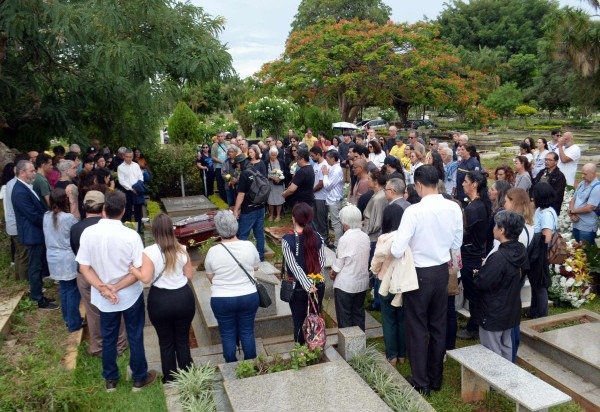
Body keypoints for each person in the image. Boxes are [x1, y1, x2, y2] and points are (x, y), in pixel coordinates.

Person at [391, 165, 463, 395]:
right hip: (441, 271)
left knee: (417, 327)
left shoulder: (414, 211)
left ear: (419, 185)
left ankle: (421, 381)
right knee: (438, 326)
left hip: (419, 273)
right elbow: (456, 243)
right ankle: (435, 378)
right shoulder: (453, 207)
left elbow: (397, 249)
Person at [76, 191, 157, 392]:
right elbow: (138, 270)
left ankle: (111, 379)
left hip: (105, 297)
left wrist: (103, 288)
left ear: (104, 210)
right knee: (134, 334)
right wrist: (114, 288)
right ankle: (139, 377)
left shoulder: (89, 233)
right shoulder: (130, 236)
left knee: (108, 337)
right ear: (123, 211)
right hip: (129, 294)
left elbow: (84, 267)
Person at [128, 213, 194, 382]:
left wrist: (132, 269)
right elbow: (189, 275)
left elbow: (146, 278)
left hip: (160, 301)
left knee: (165, 342)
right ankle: (189, 376)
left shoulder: (149, 252)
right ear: (171, 229)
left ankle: (170, 378)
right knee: (183, 339)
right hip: (183, 298)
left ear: (155, 231)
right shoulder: (182, 248)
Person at [70, 190, 127, 357]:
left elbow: (75, 251)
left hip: (85, 275)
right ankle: (120, 345)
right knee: (117, 306)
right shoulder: (110, 227)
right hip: (108, 273)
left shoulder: (75, 228)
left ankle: (98, 347)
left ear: (84, 206)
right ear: (104, 207)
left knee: (92, 312)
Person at [204, 210, 260, 362]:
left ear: (218, 229)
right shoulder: (249, 246)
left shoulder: (213, 251)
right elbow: (255, 267)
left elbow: (210, 276)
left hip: (222, 299)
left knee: (227, 333)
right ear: (236, 225)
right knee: (247, 331)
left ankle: (230, 365)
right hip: (248, 295)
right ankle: (251, 364)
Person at [475, 211, 528, 361]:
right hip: (511, 308)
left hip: (493, 311)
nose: (493, 229)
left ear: (502, 230)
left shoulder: (498, 257)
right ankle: (508, 373)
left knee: (491, 352)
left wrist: (478, 274)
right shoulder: (520, 250)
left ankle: (495, 376)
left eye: (495, 226)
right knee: (506, 346)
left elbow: (483, 283)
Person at [12, 160, 57, 309]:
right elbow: (32, 215)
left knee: (37, 266)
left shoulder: (25, 187)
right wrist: (49, 222)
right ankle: (37, 298)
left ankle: (38, 293)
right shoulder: (19, 191)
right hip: (32, 234)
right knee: (35, 267)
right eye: (31, 171)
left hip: (35, 232)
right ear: (22, 172)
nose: (34, 173)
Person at [281, 203, 326, 344]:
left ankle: (301, 352)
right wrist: (314, 281)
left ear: (294, 218)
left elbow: (294, 266)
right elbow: (322, 261)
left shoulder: (287, 240)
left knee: (299, 323)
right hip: (318, 286)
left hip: (299, 288)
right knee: (314, 319)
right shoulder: (318, 236)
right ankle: (314, 346)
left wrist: (307, 284)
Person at [371, 197, 407, 366]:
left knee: (388, 319)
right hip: (403, 282)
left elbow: (376, 262)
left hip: (385, 281)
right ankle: (403, 354)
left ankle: (392, 355)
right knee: (402, 318)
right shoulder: (406, 238)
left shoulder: (384, 238)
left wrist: (374, 271)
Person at [457, 170, 491, 340]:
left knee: (473, 294)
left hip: (470, 255)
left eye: (465, 181)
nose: (463, 184)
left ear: (474, 184)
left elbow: (465, 234)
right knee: (473, 293)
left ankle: (474, 328)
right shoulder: (479, 205)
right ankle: (474, 323)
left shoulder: (475, 208)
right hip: (474, 253)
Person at [43, 189, 82, 331]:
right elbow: (76, 230)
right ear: (65, 201)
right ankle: (73, 322)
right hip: (66, 257)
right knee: (72, 290)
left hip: (52, 257)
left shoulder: (46, 216)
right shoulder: (68, 218)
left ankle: (68, 318)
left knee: (64, 288)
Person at [329, 204, 370, 331]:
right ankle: (360, 341)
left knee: (344, 317)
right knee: (358, 314)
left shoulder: (345, 239)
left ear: (345, 223)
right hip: (361, 282)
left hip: (346, 284)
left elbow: (339, 264)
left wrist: (333, 273)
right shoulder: (365, 236)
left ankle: (347, 342)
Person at [529, 182, 558, 319]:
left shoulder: (546, 213)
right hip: (536, 251)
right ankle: (534, 311)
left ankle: (541, 314)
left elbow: (546, 237)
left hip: (540, 252)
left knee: (540, 284)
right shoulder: (540, 209)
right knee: (535, 283)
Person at [232, 154, 267, 262]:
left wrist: (236, 210)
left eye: (237, 165)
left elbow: (241, 194)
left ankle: (242, 260)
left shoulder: (244, 174)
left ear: (240, 164)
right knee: (259, 234)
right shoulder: (255, 170)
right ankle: (261, 257)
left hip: (249, 210)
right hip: (260, 207)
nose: (237, 167)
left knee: (243, 235)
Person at [568, 163, 599, 244]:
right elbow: (573, 199)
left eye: (585, 174)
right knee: (575, 248)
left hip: (586, 227)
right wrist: (572, 213)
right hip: (576, 223)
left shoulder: (597, 187)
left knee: (585, 250)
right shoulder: (582, 183)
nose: (582, 176)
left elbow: (589, 208)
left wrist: (572, 211)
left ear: (593, 173)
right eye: (582, 173)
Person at [117, 149, 144, 234]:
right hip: (127, 191)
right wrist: (132, 189)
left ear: (132, 156)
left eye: (130, 157)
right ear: (123, 156)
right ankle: (128, 230)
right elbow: (121, 181)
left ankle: (138, 229)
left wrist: (138, 186)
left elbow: (140, 176)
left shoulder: (136, 165)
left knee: (138, 211)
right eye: (127, 157)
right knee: (127, 211)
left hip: (137, 190)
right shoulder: (120, 167)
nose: (128, 158)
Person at [321, 150, 345, 247]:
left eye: (327, 158)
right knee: (334, 222)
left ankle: (338, 244)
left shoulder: (337, 170)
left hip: (334, 199)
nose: (326, 160)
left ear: (333, 158)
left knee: (336, 223)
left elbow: (328, 186)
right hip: (331, 199)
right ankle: (336, 242)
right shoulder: (333, 168)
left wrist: (325, 175)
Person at [310, 146, 329, 242]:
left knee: (321, 219)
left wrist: (311, 191)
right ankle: (317, 237)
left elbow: (321, 184)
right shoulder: (315, 165)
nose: (311, 158)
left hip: (322, 197)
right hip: (315, 196)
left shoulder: (324, 165)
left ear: (318, 154)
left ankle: (324, 238)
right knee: (315, 218)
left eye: (313, 156)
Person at [266, 146, 285, 222]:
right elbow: (264, 173)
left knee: (279, 199)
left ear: (277, 155)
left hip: (279, 184)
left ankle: (278, 215)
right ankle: (271, 215)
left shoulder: (281, 161)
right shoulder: (266, 162)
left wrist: (280, 178)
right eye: (272, 155)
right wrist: (271, 177)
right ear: (269, 154)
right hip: (270, 183)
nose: (273, 156)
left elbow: (284, 172)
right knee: (270, 200)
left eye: (275, 155)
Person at [211, 132, 228, 201]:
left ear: (224, 136)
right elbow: (213, 157)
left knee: (228, 181)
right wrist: (222, 162)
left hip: (227, 168)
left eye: (221, 136)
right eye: (218, 136)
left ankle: (229, 199)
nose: (220, 138)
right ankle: (223, 199)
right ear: (217, 137)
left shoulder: (228, 144)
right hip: (218, 167)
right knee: (220, 183)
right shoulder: (214, 146)